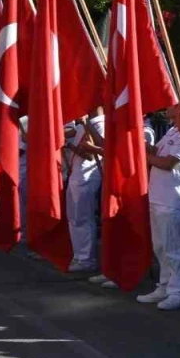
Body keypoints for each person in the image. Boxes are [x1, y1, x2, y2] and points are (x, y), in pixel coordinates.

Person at [137, 101, 180, 311]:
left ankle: (179, 291)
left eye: (171, 103)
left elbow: (168, 163)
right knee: (161, 245)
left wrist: (142, 156)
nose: (165, 106)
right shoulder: (173, 129)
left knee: (176, 247)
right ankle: (165, 285)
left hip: (176, 198)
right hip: (160, 195)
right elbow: (157, 151)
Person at [65, 109, 105, 273]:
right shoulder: (85, 122)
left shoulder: (100, 123)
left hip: (87, 175)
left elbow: (91, 153)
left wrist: (68, 145)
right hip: (76, 173)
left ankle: (86, 258)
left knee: (83, 217)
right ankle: (79, 255)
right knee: (74, 217)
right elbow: (69, 133)